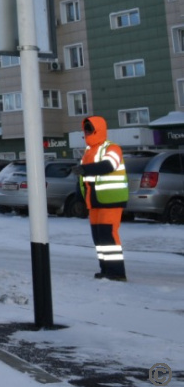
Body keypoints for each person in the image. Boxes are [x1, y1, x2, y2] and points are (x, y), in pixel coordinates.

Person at [74, 115, 128, 281]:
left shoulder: (112, 148)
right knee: (99, 238)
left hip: (110, 200)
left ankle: (117, 272)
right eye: (86, 129)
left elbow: (108, 166)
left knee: (108, 236)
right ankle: (106, 269)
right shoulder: (89, 152)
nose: (87, 132)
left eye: (90, 128)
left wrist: (84, 169)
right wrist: (79, 196)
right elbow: (85, 179)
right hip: (95, 201)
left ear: (98, 129)